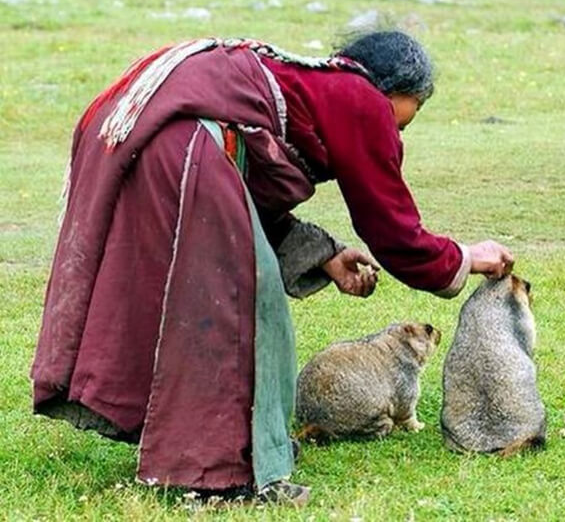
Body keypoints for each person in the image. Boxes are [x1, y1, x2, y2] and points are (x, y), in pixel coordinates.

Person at [30, 31, 514, 507]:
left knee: (170, 300)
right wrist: (468, 257)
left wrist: (323, 254)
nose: (401, 130)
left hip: (151, 143)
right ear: (394, 88)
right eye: (412, 111)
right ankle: (222, 473)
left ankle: (191, 445)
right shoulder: (362, 100)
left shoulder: (307, 86)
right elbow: (393, 230)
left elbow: (244, 186)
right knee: (239, 310)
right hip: (179, 149)